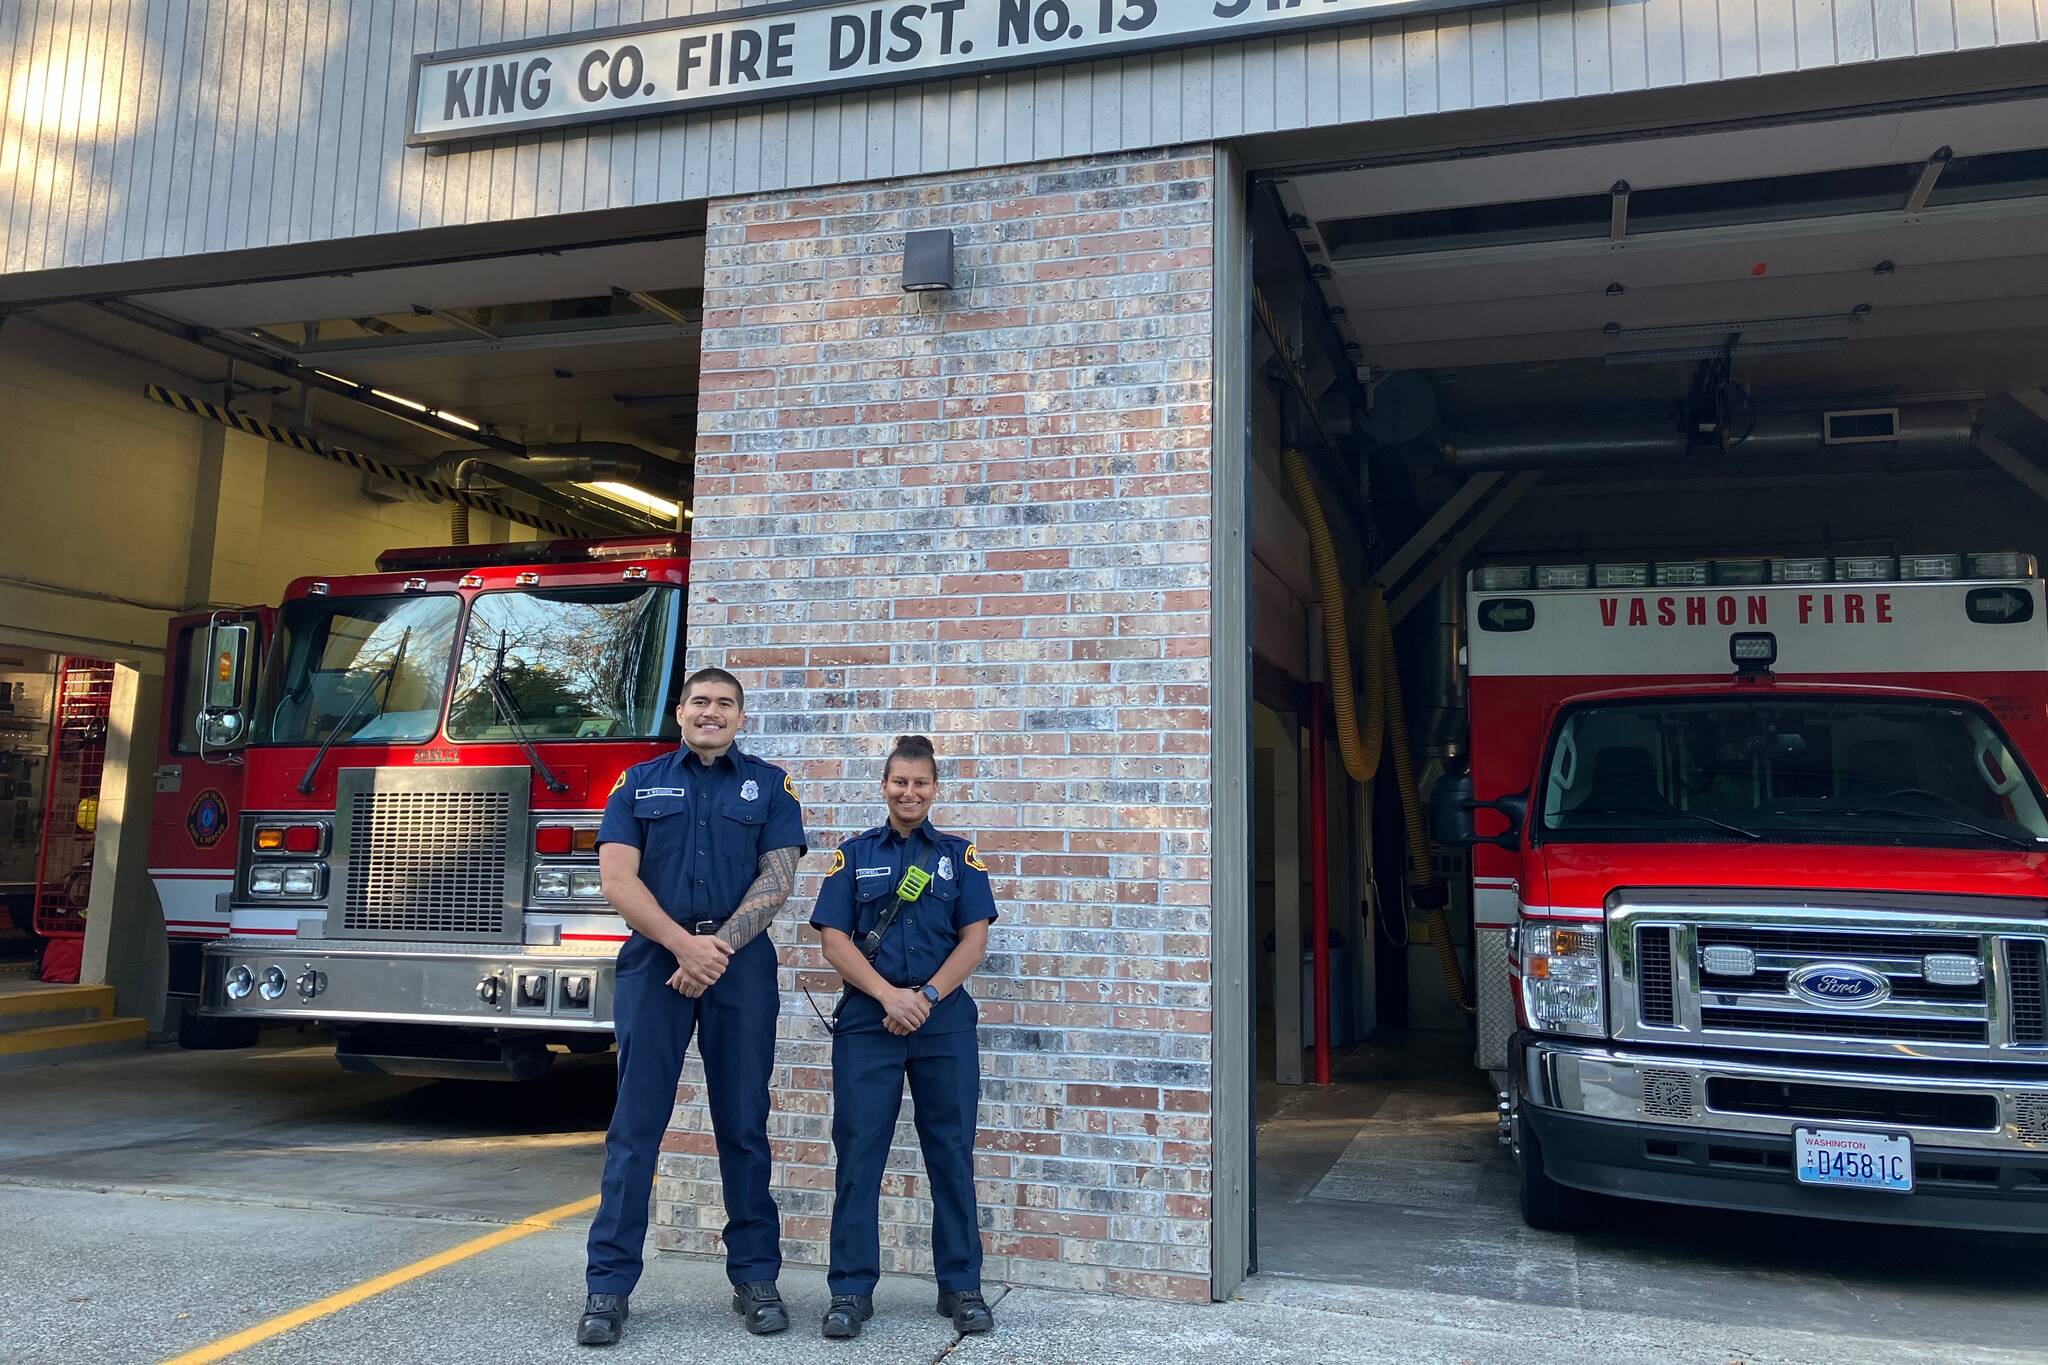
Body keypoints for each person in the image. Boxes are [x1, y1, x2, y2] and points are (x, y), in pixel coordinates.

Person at [577, 667, 806, 1348]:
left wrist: (718, 948)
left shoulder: (769, 784)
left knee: (743, 1124)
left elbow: (780, 873)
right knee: (635, 1127)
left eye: (725, 704)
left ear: (741, 717)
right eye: (700, 701)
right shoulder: (638, 782)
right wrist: (684, 944)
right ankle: (608, 1289)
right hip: (656, 961)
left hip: (740, 968)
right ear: (680, 711)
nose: (712, 712)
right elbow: (617, 876)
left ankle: (756, 1278)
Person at [809, 734, 998, 1341]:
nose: (909, 792)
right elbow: (833, 939)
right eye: (899, 782)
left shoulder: (960, 857)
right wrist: (890, 996)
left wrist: (926, 998)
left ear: (934, 789)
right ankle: (850, 1291)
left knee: (951, 1151)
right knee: (859, 1155)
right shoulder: (853, 855)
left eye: (920, 783)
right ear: (884, 786)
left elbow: (974, 940)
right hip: (870, 1020)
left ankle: (962, 1287)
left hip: (943, 1021)